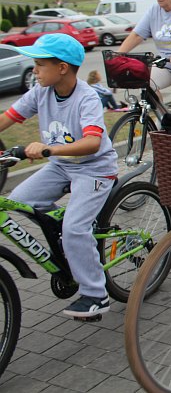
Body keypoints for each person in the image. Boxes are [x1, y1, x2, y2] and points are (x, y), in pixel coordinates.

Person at [0, 34, 118, 318]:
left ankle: (96, 294)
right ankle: (69, 235)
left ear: (62, 68)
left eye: (40, 64)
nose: (35, 70)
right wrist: (52, 154)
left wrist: (48, 149)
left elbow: (92, 143)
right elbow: (7, 117)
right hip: (61, 165)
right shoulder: (40, 91)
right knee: (20, 201)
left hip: (94, 168)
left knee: (76, 228)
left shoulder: (86, 97)